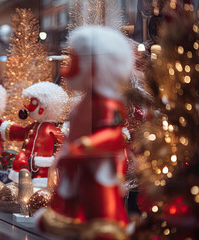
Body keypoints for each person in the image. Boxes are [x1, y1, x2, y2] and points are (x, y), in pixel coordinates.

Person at [39, 26, 134, 239]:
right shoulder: (83, 104)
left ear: (95, 67)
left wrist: (86, 146)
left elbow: (114, 134)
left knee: (100, 205)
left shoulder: (108, 105)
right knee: (73, 201)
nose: (65, 71)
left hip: (97, 168)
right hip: (78, 167)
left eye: (74, 62)